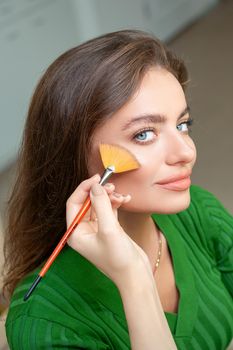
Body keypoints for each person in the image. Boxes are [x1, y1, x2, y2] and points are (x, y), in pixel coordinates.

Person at [3, 30, 233, 349]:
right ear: (72, 155)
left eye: (182, 125)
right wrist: (134, 280)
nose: (186, 152)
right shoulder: (46, 322)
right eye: (143, 135)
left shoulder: (199, 212)